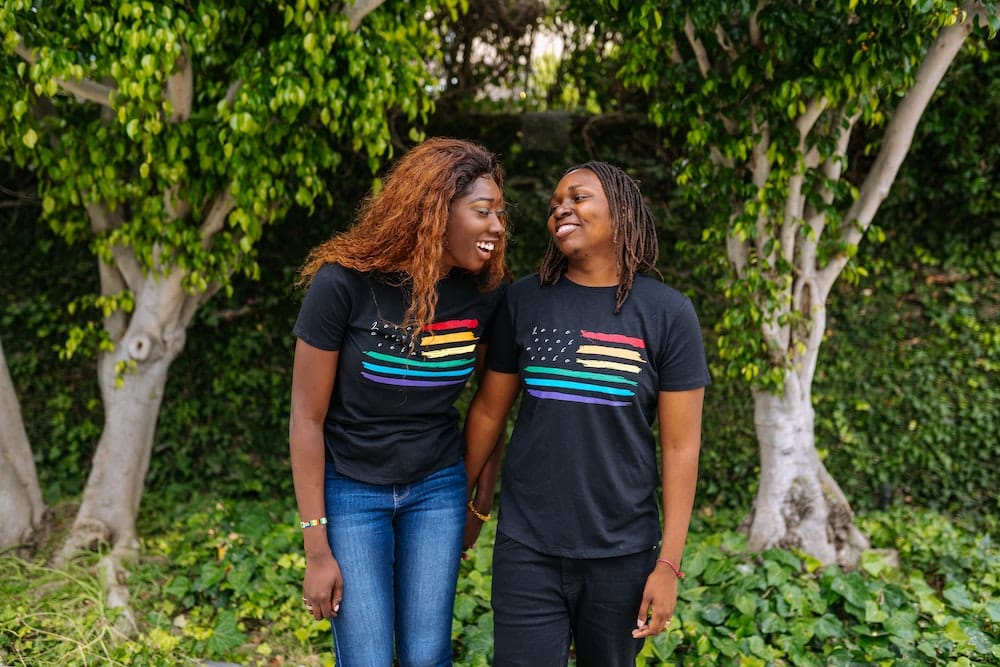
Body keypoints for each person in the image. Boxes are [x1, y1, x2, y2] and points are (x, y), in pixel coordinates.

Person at [463, 161, 710, 666]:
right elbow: (489, 411)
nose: (561, 209)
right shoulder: (524, 300)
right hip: (526, 548)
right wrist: (457, 505)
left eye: (577, 198)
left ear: (621, 212)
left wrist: (669, 563)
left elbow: (681, 446)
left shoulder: (668, 313)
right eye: (555, 204)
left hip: (622, 555)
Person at [289, 137, 509, 667]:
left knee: (427, 653)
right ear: (435, 210)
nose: (498, 228)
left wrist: (479, 501)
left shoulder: (484, 294)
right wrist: (316, 548)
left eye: (501, 213)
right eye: (483, 212)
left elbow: (491, 405)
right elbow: (306, 417)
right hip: (352, 491)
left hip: (436, 489)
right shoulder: (342, 284)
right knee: (365, 657)